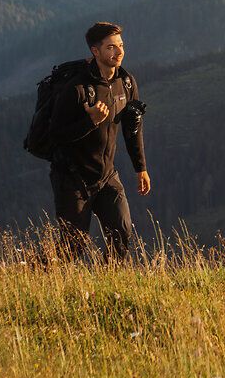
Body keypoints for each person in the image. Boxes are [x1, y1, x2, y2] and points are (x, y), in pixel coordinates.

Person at [46, 21, 150, 260]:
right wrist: (90, 121)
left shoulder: (126, 83)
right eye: (111, 47)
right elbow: (56, 136)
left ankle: (108, 287)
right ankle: (31, 275)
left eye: (121, 45)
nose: (119, 52)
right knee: (72, 248)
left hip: (107, 177)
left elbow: (132, 128)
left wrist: (140, 168)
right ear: (95, 51)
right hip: (72, 179)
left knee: (121, 235)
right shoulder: (78, 88)